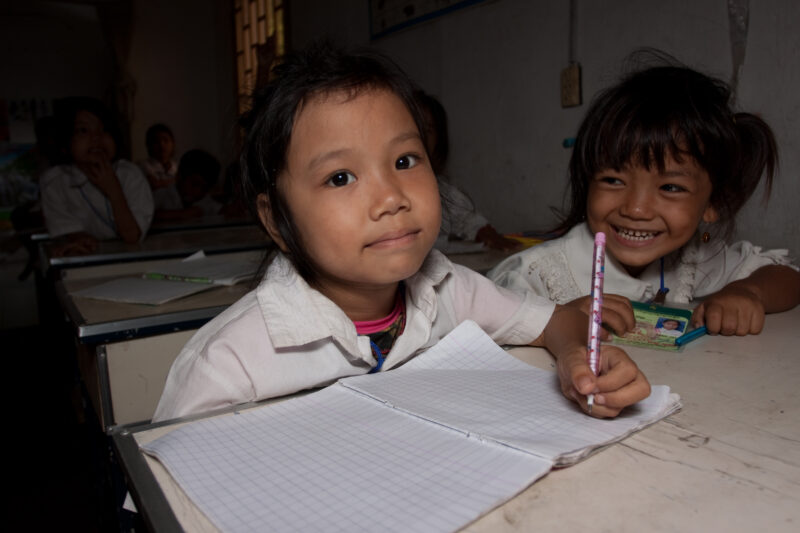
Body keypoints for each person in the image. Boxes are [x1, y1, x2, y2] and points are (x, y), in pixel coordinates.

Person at [152, 42, 650, 422]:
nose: (392, 196)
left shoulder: (450, 289)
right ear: (276, 220)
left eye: (405, 160)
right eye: (340, 177)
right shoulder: (228, 363)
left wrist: (576, 361)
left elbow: (553, 321)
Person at [489, 58, 800, 337]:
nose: (636, 209)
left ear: (713, 203)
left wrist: (749, 292)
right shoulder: (535, 274)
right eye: (613, 180)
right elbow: (474, 339)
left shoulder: (692, 259)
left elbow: (787, 275)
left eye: (670, 187)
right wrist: (555, 322)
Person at [39, 97, 153, 255]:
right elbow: (68, 229)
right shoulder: (55, 182)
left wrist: (113, 189)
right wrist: (80, 238)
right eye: (83, 130)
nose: (96, 138)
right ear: (66, 142)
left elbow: (132, 236)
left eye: (104, 130)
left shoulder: (130, 174)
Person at [415, 90, 521, 251]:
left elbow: (469, 220)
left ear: (439, 140)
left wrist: (486, 234)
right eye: (413, 127)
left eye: (427, 130)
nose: (419, 137)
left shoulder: (443, 190)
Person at [152, 148, 222, 221]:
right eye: (195, 184)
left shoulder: (205, 200)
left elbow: (221, 209)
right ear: (179, 176)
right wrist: (184, 213)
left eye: (205, 188)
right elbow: (145, 215)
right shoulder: (160, 196)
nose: (198, 191)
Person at [137, 123, 178, 210]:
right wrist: (176, 180)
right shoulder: (143, 165)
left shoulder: (177, 167)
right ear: (148, 145)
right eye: (156, 141)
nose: (161, 145)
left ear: (173, 143)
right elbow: (153, 184)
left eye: (166, 140)